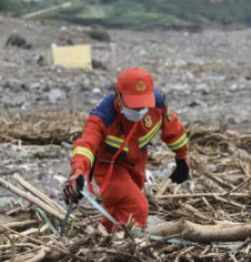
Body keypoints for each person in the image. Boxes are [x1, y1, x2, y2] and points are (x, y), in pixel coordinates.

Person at [63, 67, 190, 230]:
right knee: (137, 207)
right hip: (109, 166)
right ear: (118, 96)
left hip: (137, 162)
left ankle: (106, 238)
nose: (139, 110)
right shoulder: (102, 117)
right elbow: (85, 145)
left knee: (118, 209)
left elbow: (173, 129)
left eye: (143, 104)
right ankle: (128, 248)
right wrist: (78, 172)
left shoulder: (157, 105)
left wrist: (182, 158)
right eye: (134, 105)